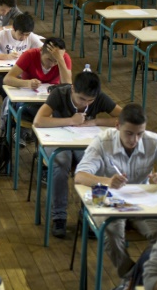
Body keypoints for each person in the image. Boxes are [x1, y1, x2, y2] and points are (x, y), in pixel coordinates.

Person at [75, 103, 157, 278]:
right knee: (112, 232)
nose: (134, 140)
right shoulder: (102, 142)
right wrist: (107, 181)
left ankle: (144, 273)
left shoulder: (154, 141)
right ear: (117, 126)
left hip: (140, 200)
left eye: (139, 134)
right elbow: (80, 176)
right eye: (129, 133)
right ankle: (130, 275)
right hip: (105, 197)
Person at [33, 71, 123, 238]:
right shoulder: (59, 94)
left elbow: (122, 118)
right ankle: (59, 216)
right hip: (57, 141)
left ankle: (90, 213)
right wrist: (70, 121)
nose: (86, 103)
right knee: (60, 164)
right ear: (72, 89)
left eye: (90, 101)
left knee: (97, 166)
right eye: (82, 99)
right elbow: (39, 120)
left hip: (83, 141)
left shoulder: (99, 97)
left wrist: (96, 121)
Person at [1, 37, 72, 145]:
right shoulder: (30, 55)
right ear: (41, 52)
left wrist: (61, 61)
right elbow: (7, 79)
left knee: (58, 111)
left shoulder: (63, 59)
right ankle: (27, 133)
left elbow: (68, 85)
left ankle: (43, 141)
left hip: (49, 99)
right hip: (27, 98)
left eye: (56, 61)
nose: (52, 64)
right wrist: (27, 83)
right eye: (49, 59)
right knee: (45, 114)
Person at [0, 13, 42, 98]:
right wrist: (7, 56)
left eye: (26, 34)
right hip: (2, 72)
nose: (23, 37)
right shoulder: (3, 34)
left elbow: (44, 51)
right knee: (7, 91)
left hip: (21, 72)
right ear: (13, 28)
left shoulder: (31, 36)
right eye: (21, 34)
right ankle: (8, 109)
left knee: (35, 87)